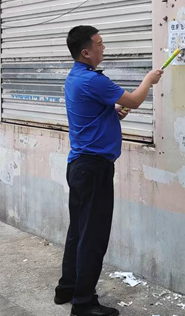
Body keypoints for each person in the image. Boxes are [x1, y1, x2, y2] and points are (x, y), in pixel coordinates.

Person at [55, 26, 163, 316]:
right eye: (100, 44)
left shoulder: (76, 78)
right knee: (94, 236)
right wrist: (148, 80)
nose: (104, 48)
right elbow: (136, 99)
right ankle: (83, 303)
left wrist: (111, 112)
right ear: (86, 52)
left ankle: (67, 288)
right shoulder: (92, 80)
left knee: (78, 230)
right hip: (94, 169)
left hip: (80, 166)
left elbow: (90, 111)